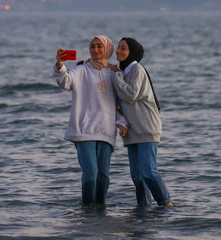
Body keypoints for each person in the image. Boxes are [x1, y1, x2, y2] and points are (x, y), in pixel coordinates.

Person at [54, 36, 127, 206]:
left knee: (103, 177)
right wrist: (60, 65)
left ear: (107, 49)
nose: (96, 50)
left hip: (106, 131)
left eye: (100, 46)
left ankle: (100, 211)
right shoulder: (81, 70)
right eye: (93, 46)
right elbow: (65, 81)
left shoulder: (115, 73)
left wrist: (121, 122)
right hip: (84, 130)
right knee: (91, 175)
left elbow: (119, 103)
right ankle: (87, 211)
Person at [109, 37, 173, 207]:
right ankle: (143, 209)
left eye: (124, 48)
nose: (119, 51)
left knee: (148, 171)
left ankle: (166, 204)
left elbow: (131, 95)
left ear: (133, 52)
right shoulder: (123, 73)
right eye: (118, 48)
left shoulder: (136, 69)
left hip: (146, 127)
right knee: (137, 176)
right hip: (132, 130)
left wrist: (114, 73)